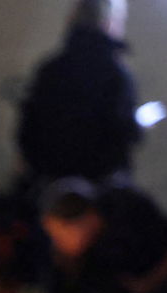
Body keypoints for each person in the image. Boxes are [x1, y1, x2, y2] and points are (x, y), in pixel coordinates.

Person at [17, 0, 140, 187]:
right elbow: (122, 134)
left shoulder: (51, 70)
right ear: (109, 22)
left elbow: (28, 130)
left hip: (49, 185)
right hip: (101, 187)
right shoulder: (116, 76)